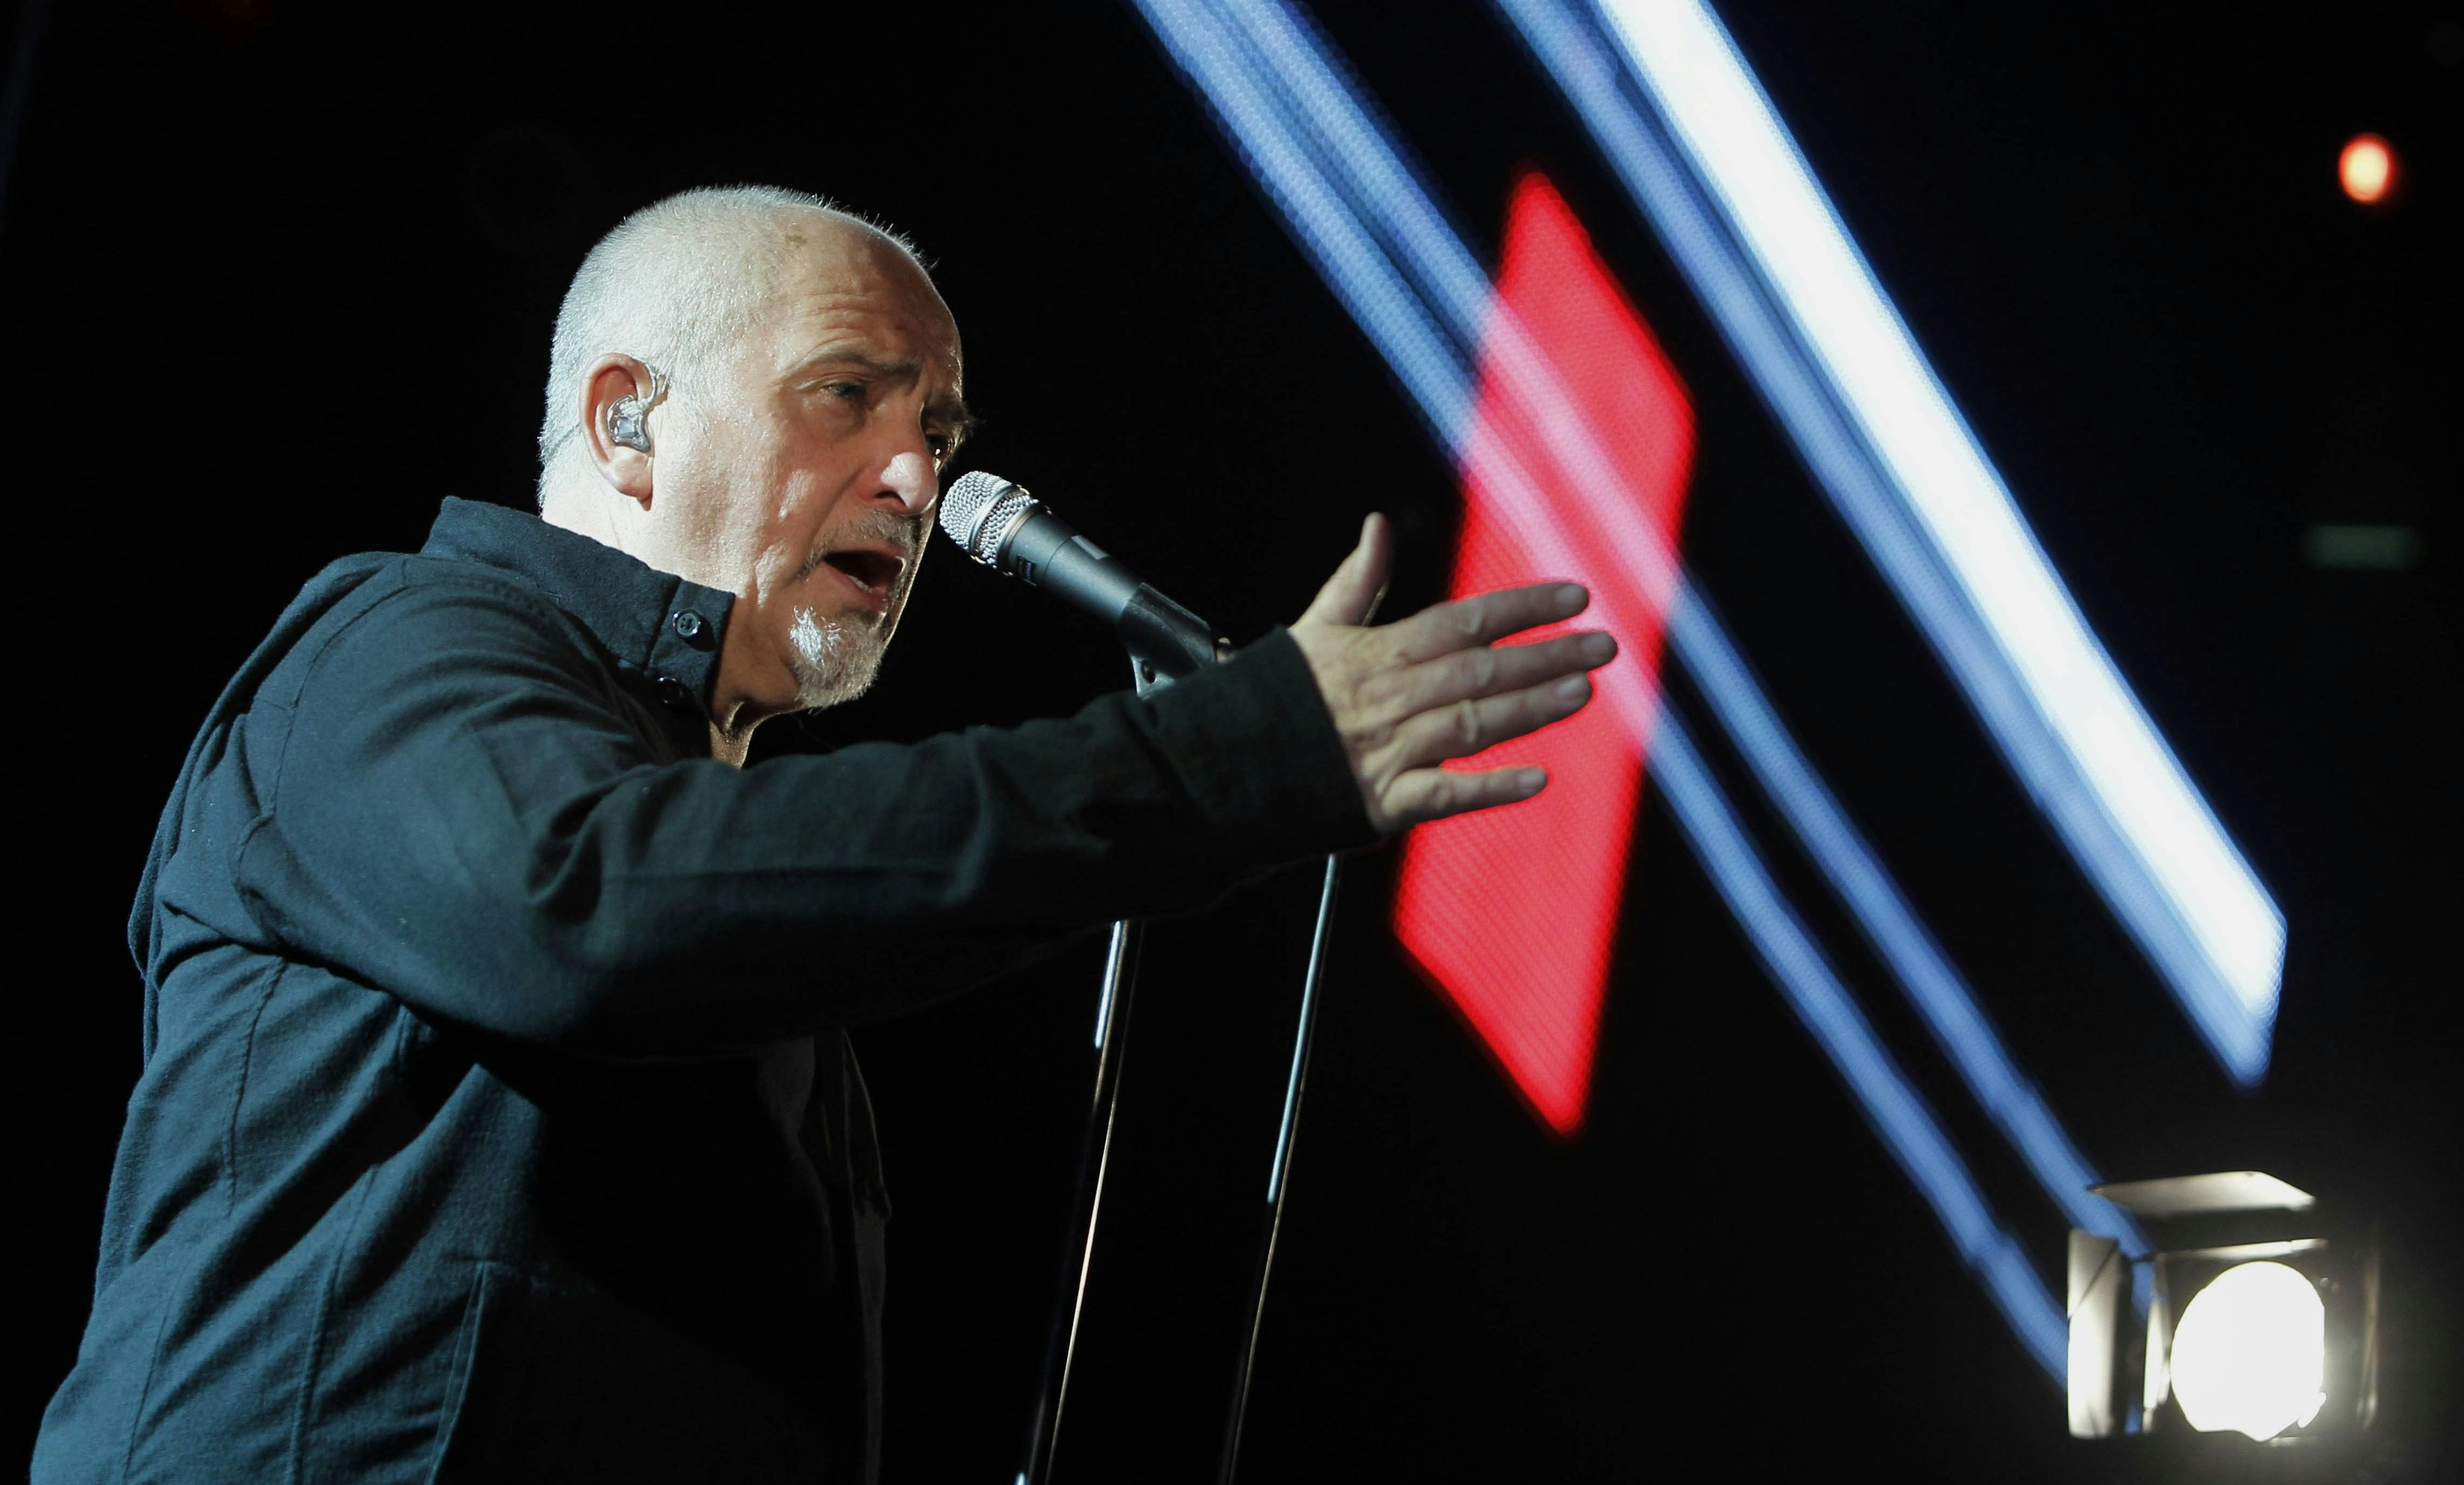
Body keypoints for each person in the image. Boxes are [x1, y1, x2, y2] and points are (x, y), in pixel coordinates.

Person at [30, 185, 1616, 1483]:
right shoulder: (402, 642)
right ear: (628, 418)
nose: (923, 473)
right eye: (848, 396)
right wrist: (1218, 760)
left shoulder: (728, 854)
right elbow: (591, 907)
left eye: (937, 423)